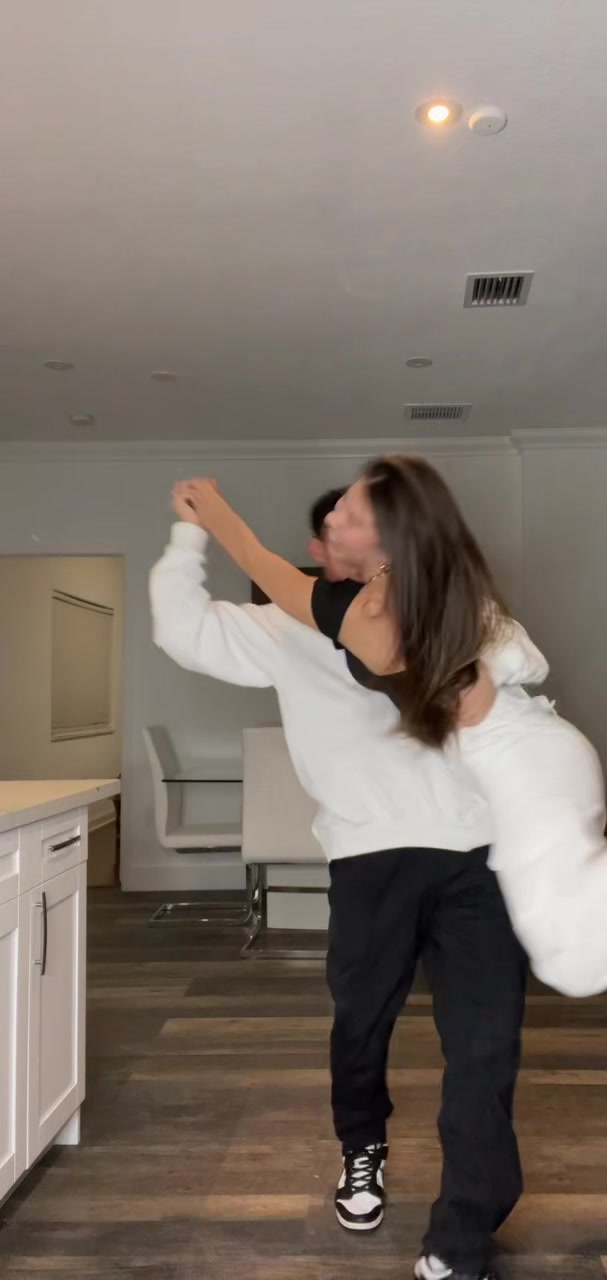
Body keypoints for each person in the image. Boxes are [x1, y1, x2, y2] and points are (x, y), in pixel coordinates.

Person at [150, 484, 548, 1280]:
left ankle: (462, 1236)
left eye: (360, 528)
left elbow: (524, 661)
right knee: (361, 1025)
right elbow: (180, 629)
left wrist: (435, 634)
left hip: (479, 856)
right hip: (369, 860)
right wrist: (188, 534)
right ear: (321, 554)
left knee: (485, 1045)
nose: (341, 542)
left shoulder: (448, 608)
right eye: (333, 531)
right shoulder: (283, 626)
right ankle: (361, 1147)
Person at [177, 460, 607, 1005]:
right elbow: (519, 656)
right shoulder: (436, 591)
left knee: (572, 957)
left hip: (521, 760)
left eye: (349, 513)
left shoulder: (355, 609)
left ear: (387, 539)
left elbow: (259, 562)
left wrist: (209, 512)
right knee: (578, 948)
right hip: (533, 754)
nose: (333, 520)